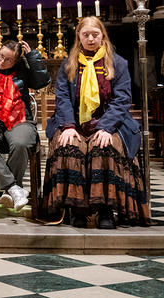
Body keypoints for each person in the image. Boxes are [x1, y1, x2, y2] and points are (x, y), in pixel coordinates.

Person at [42, 16, 149, 228]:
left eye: (95, 34)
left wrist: (106, 128)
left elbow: (122, 99)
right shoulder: (69, 64)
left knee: (103, 147)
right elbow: (62, 98)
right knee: (68, 146)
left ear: (103, 36)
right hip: (75, 123)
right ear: (79, 37)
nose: (91, 39)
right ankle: (78, 210)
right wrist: (68, 126)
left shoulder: (118, 63)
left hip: (110, 122)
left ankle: (105, 210)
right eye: (86, 35)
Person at [0, 39, 50, 211]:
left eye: (8, 60)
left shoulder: (23, 73)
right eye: (1, 56)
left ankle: (10, 190)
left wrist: (32, 57)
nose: (2, 61)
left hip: (19, 120)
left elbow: (42, 81)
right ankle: (14, 188)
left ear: (16, 61)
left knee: (21, 142)